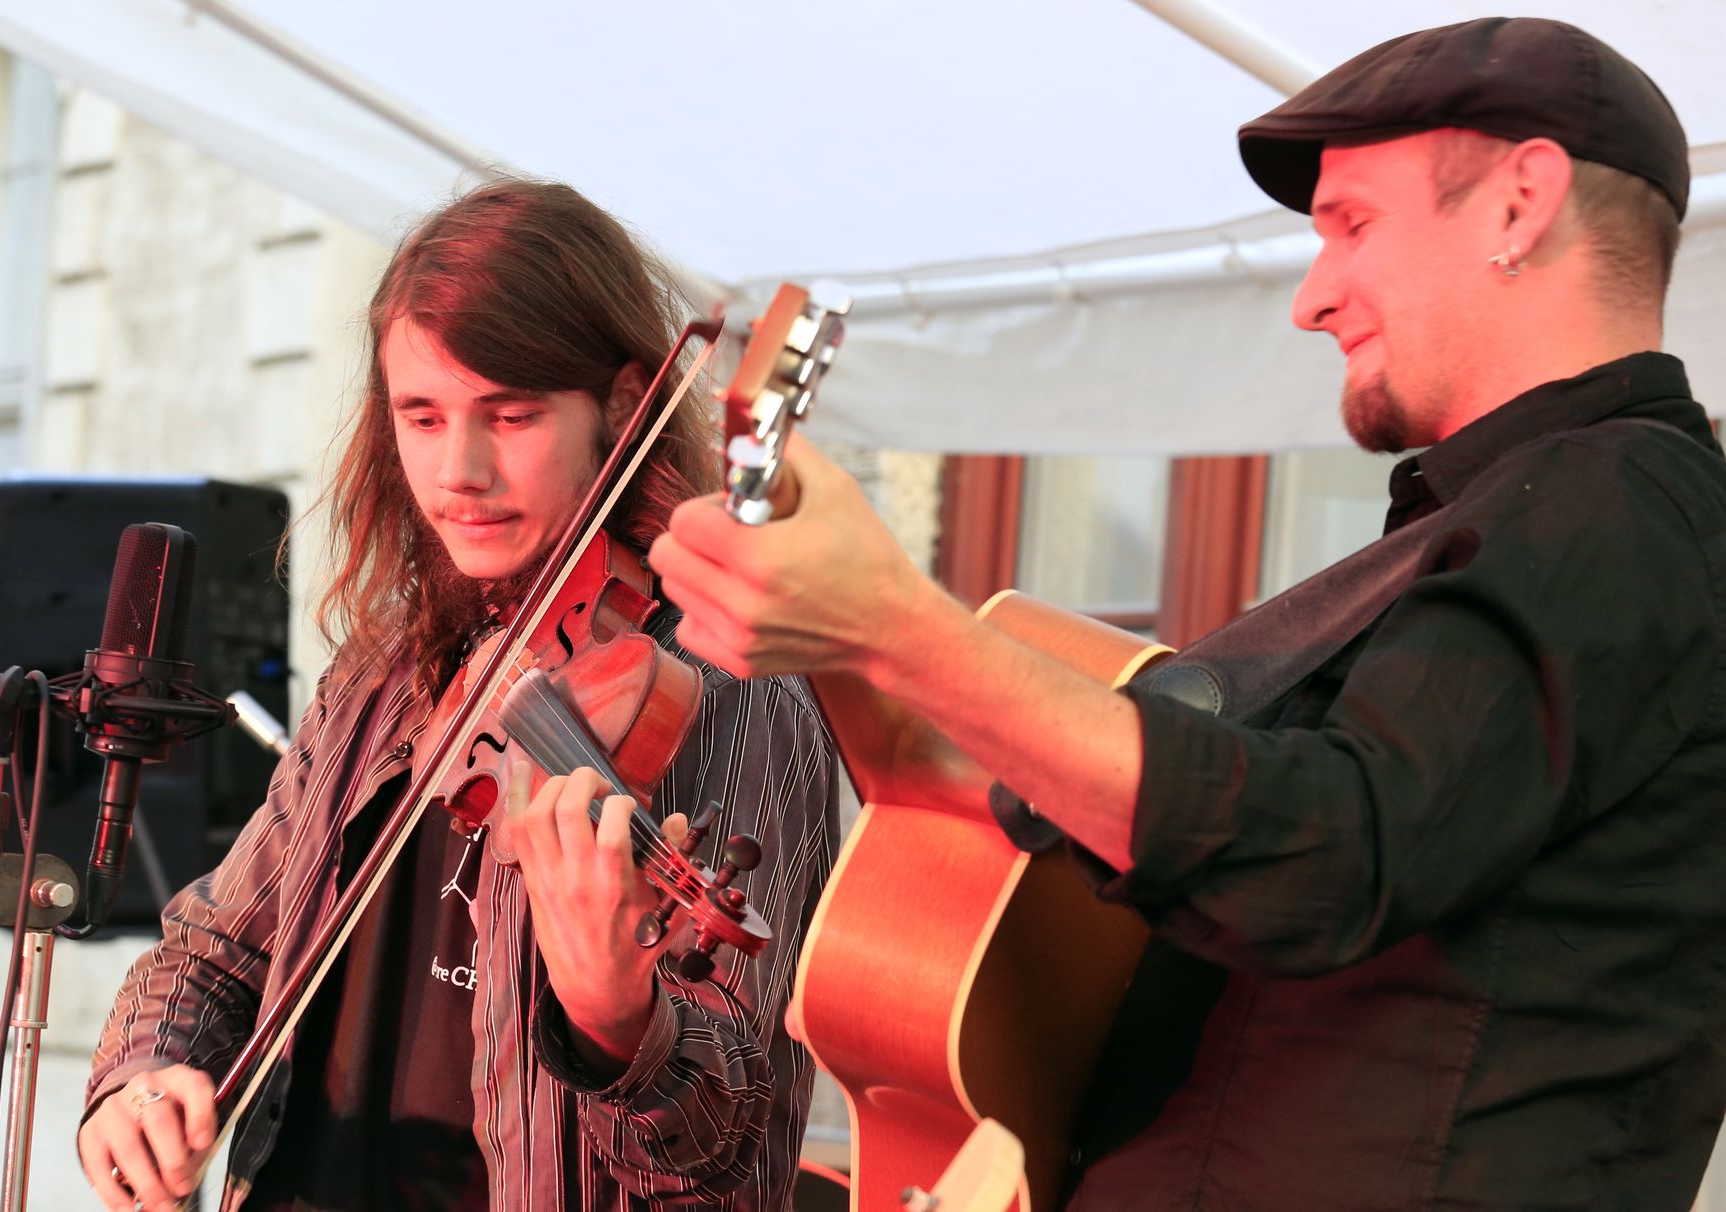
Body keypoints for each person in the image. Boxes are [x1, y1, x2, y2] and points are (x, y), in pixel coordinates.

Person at [650, 17, 1726, 1210]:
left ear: (1521, 202)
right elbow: (1120, 844)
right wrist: (854, 639)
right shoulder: (1502, 527)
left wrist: (903, 625)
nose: (1310, 299)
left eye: (1350, 226)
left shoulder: (1619, 503)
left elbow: (1331, 848)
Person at [76, 178, 838, 1212]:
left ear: (619, 406)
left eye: (509, 415)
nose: (457, 472)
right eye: (421, 417)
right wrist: (142, 1077)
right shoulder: (388, 668)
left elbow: (731, 1158)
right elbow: (217, 948)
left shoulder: (733, 692)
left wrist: (624, 1027)